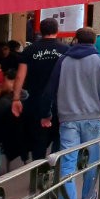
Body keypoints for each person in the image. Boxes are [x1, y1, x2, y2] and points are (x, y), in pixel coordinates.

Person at [39, 27, 100, 199]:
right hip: (92, 118)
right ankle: (88, 198)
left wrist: (46, 114)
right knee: (92, 161)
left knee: (67, 163)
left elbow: (49, 90)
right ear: (93, 42)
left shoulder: (63, 61)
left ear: (75, 40)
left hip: (68, 118)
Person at [12, 17, 68, 161]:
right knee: (60, 136)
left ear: (39, 31)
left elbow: (20, 76)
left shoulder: (30, 50)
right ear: (57, 30)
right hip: (60, 100)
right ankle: (55, 168)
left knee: (38, 139)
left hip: (35, 100)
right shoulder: (66, 50)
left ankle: (39, 171)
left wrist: (16, 98)